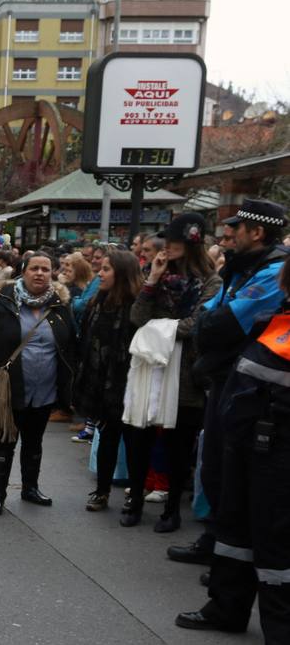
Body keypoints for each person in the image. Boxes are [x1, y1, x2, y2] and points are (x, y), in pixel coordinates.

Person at [176, 254, 290, 645]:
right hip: (245, 441)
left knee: (275, 539)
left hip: (280, 450)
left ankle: (281, 634)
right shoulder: (277, 317)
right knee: (234, 527)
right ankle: (225, 608)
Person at [171, 200, 288, 566]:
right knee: (217, 466)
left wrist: (209, 323)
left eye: (236, 228)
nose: (227, 234)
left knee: (235, 471)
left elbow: (224, 323)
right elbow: (208, 315)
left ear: (258, 233)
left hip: (253, 387)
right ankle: (216, 545)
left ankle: (233, 564)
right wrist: (209, 322)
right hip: (227, 377)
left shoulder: (274, 270)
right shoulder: (242, 267)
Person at [122, 214, 222, 531]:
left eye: (175, 242)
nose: (168, 247)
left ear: (190, 244)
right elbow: (137, 317)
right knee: (139, 438)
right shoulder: (158, 276)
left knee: (180, 444)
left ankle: (172, 509)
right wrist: (152, 279)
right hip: (150, 369)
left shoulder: (211, 282)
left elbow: (196, 326)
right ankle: (135, 500)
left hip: (186, 373)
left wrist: (155, 329)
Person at [0, 250, 77, 516]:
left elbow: (71, 344)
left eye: (45, 269)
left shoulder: (60, 305)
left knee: (34, 441)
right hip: (8, 387)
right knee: (5, 440)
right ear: (24, 271)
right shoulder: (3, 300)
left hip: (45, 389)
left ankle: (30, 488)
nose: (40, 273)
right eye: (34, 268)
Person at [73, 249, 142, 512]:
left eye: (106, 269)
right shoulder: (98, 302)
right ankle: (101, 492)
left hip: (130, 385)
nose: (99, 274)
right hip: (102, 384)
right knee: (107, 438)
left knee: (135, 443)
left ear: (122, 273)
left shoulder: (137, 306)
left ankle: (135, 496)